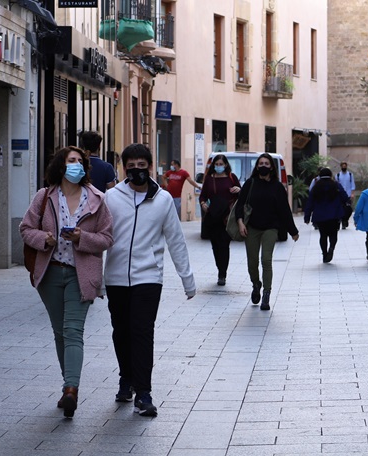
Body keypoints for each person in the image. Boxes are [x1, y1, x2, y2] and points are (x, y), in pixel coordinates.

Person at [20, 146, 113, 419]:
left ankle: (71, 389)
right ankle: (67, 387)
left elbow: (107, 238)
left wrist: (82, 237)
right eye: (72, 161)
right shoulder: (44, 197)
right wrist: (44, 239)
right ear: (61, 166)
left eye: (81, 162)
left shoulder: (97, 199)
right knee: (60, 332)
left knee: (73, 331)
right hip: (50, 273)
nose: (77, 165)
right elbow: (26, 228)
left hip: (81, 274)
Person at [104, 144, 197, 418]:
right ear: (124, 168)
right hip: (116, 278)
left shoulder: (164, 199)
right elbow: (101, 240)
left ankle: (144, 393)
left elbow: (176, 240)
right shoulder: (111, 197)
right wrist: (95, 280)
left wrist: (187, 280)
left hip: (149, 277)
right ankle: (126, 379)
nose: (136, 171)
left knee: (142, 332)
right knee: (121, 332)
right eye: (130, 166)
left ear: (150, 167)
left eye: (141, 166)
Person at [236, 153, 300, 310]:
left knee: (266, 260)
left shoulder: (277, 187)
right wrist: (240, 223)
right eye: (261, 163)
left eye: (266, 163)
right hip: (251, 227)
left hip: (270, 228)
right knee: (252, 262)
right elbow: (240, 205)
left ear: (271, 167)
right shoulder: (250, 183)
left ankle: (266, 293)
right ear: (257, 166)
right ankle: (256, 284)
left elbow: (285, 210)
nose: (263, 166)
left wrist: (293, 231)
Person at [199, 154, 241, 285]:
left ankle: (222, 273)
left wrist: (238, 189)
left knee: (224, 245)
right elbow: (202, 196)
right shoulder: (209, 179)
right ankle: (219, 268)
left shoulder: (231, 177)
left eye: (221, 164)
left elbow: (241, 194)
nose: (218, 167)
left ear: (226, 165)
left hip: (227, 217)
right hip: (213, 217)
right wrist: (203, 204)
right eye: (216, 164)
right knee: (215, 246)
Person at [303, 168, 350, 263]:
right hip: (334, 215)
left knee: (323, 235)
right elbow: (345, 197)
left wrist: (307, 216)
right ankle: (331, 248)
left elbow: (310, 202)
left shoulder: (316, 186)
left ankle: (324, 253)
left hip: (320, 216)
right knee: (333, 233)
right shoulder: (336, 185)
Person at [336, 162, 355, 229]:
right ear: (341, 167)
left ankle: (345, 220)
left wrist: (352, 193)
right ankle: (342, 220)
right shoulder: (338, 175)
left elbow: (352, 185)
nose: (344, 167)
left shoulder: (350, 175)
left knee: (348, 209)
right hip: (340, 195)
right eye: (343, 166)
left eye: (345, 166)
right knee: (341, 208)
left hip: (348, 194)